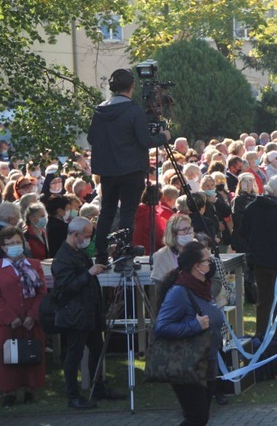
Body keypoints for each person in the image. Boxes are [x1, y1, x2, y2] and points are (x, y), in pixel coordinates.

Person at [87, 68, 170, 265]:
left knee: (107, 211)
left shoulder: (100, 110)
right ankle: (124, 251)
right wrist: (163, 137)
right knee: (127, 212)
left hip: (108, 170)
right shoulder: (134, 111)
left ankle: (100, 253)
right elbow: (144, 141)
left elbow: (91, 138)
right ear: (132, 87)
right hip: (131, 169)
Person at [51, 217, 122, 409]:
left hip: (88, 312)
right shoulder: (63, 258)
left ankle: (98, 387)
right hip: (75, 315)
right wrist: (88, 273)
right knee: (73, 356)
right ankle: (72, 396)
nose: (89, 239)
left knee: (97, 350)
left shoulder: (77, 252)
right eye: (87, 236)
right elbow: (64, 289)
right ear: (76, 235)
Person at [154, 242, 223, 426]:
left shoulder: (202, 288)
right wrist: (194, 325)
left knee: (201, 418)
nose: (211, 264)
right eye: (207, 261)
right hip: (188, 364)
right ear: (197, 266)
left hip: (207, 362)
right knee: (196, 417)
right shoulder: (180, 291)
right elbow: (161, 326)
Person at [241, 175, 277, 339]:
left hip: (260, 262)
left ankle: (261, 334)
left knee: (264, 301)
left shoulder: (251, 207)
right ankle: (276, 337)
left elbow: (243, 232)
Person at [0, 226, 47, 406]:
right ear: (3, 247)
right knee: (6, 357)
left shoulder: (33, 265)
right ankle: (8, 392)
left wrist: (32, 315)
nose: (14, 246)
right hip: (7, 322)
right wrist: (10, 317)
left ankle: (29, 390)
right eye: (10, 244)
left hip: (30, 320)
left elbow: (41, 292)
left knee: (30, 354)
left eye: (17, 242)